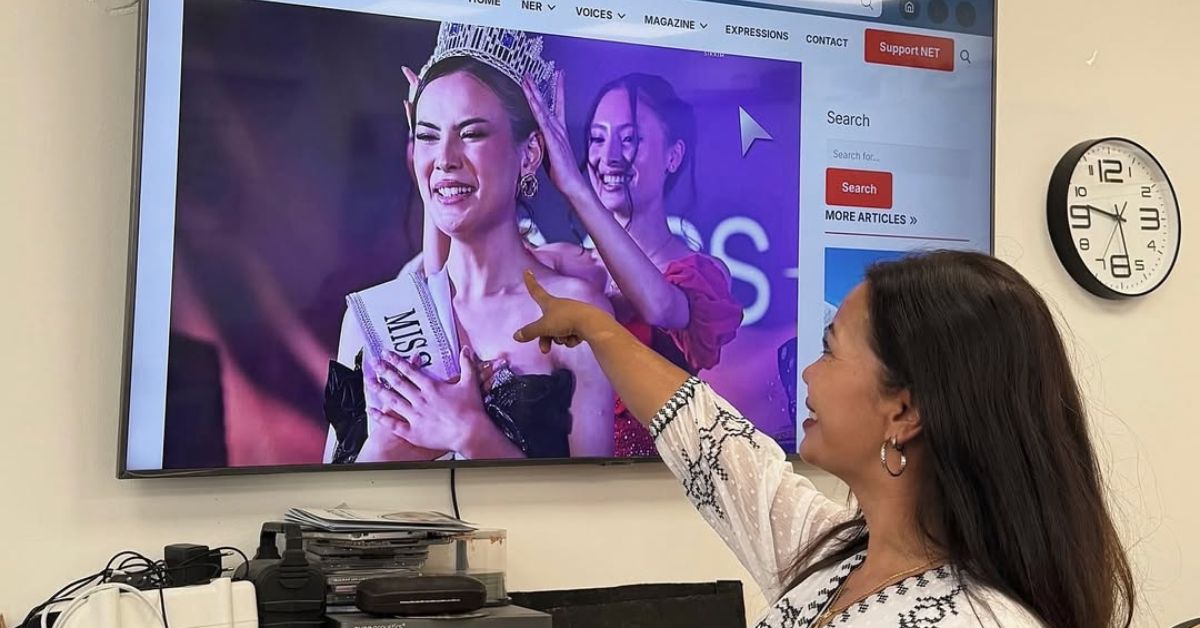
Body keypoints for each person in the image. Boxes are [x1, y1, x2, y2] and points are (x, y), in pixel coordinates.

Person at [513, 250, 1135, 628]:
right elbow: (713, 443)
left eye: (829, 351)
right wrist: (601, 330)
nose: (806, 373)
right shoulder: (837, 557)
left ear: (905, 410)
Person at [326, 27, 615, 463]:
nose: (445, 158)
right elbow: (327, 515)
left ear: (530, 154)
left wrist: (470, 432)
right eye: (427, 135)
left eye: (472, 133)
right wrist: (387, 450)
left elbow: (598, 515)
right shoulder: (372, 317)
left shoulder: (576, 315)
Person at [521, 72, 744, 457]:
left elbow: (657, 307)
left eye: (629, 139)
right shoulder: (564, 265)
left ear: (673, 155)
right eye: (596, 138)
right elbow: (461, 272)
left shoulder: (698, 275)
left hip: (660, 493)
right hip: (565, 490)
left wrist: (575, 188)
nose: (607, 157)